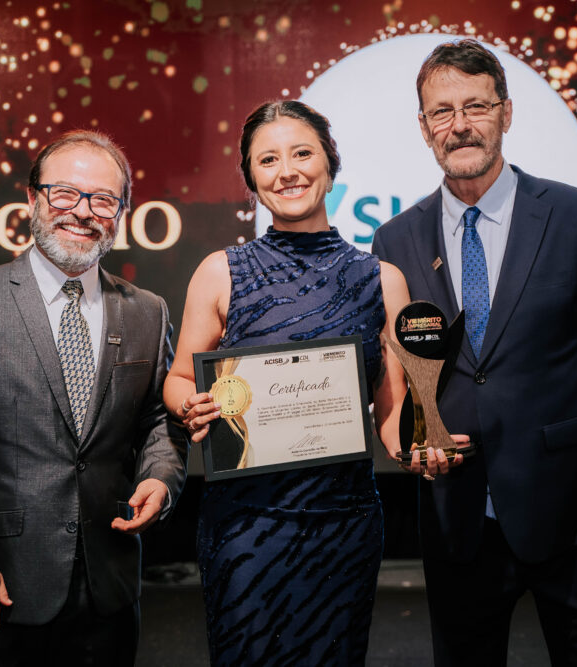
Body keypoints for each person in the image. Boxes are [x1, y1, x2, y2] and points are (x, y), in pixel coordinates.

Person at [371, 40, 577, 666]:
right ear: (423, 127)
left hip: (574, 514)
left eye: (476, 106)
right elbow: (401, 369)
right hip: (457, 517)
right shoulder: (395, 239)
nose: (460, 125)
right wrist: (408, 435)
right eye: (442, 112)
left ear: (505, 112)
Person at [0, 130, 189, 666]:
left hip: (109, 587)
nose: (82, 211)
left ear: (121, 213)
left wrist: (160, 477)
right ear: (32, 199)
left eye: (102, 199)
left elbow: (158, 418)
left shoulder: (148, 311)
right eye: (65, 193)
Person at [163, 100, 411, 666]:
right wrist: (190, 406)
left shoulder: (382, 280)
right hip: (246, 524)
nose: (287, 171)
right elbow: (178, 379)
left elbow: (392, 408)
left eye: (302, 153)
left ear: (330, 164)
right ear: (251, 179)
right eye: (268, 160)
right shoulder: (220, 272)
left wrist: (419, 451)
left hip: (343, 523)